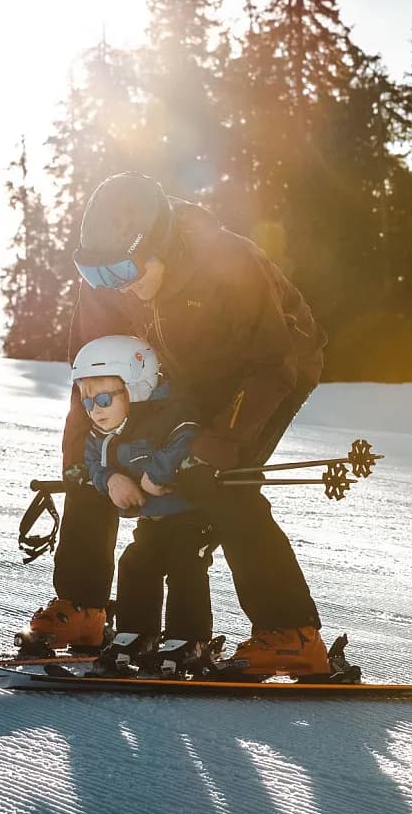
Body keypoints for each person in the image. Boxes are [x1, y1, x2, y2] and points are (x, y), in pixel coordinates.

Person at [24, 172, 330, 677]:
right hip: (166, 364)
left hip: (266, 366)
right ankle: (83, 609)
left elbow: (272, 367)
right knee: (99, 456)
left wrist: (212, 446)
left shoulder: (229, 265)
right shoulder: (107, 276)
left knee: (222, 482)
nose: (114, 285)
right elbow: (92, 374)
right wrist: (82, 459)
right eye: (98, 274)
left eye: (124, 270)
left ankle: (290, 633)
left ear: (158, 245)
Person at [69, 334, 218, 676]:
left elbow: (188, 438)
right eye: (88, 401)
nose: (96, 409)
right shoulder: (102, 434)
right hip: (152, 520)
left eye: (104, 398)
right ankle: (137, 635)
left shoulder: (171, 414)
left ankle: (187, 640)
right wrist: (109, 479)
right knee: (136, 564)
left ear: (135, 387)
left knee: (186, 569)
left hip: (191, 517)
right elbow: (94, 460)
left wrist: (159, 473)